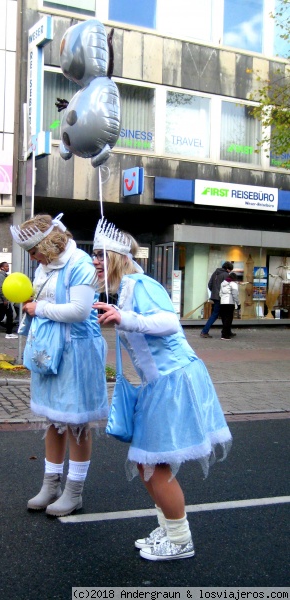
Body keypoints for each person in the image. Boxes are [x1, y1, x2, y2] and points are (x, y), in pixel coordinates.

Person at [92, 217, 232, 562]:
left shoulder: (140, 283)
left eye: (99, 254)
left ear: (117, 256)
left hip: (175, 381)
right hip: (160, 384)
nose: (94, 261)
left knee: (152, 463)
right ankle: (170, 528)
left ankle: (180, 539)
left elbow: (169, 322)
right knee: (147, 463)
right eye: (92, 254)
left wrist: (124, 319)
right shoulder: (125, 290)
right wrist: (118, 313)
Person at [10, 213, 108, 517]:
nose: (32, 257)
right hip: (49, 350)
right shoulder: (45, 266)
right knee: (53, 420)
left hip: (77, 352)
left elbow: (79, 311)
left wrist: (38, 308)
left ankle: (73, 491)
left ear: (50, 243)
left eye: (34, 250)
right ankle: (50, 485)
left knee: (77, 423)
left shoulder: (79, 263)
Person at [200, 261, 234, 338]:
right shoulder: (226, 275)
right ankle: (204, 331)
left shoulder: (215, 273)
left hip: (215, 297)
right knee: (219, 315)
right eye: (230, 270)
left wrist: (214, 292)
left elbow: (209, 285)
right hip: (222, 298)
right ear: (227, 269)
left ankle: (227, 331)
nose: (230, 272)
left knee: (222, 314)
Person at [219, 272, 239, 340]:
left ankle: (225, 333)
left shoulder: (222, 283)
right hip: (230, 303)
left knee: (224, 319)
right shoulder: (233, 284)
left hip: (222, 302)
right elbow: (235, 295)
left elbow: (220, 293)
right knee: (229, 320)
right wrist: (238, 303)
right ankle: (225, 335)